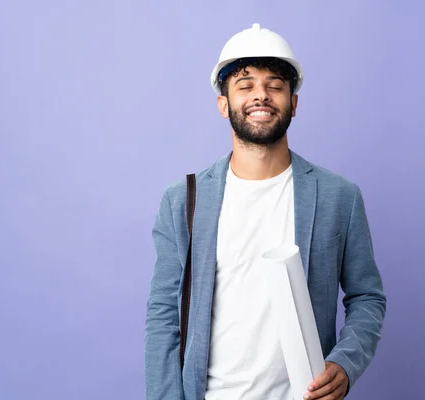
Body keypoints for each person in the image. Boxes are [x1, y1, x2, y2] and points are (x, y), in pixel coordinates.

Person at [145, 23, 386, 400]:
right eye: (245, 84)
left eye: (275, 85)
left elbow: (367, 297)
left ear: (293, 101)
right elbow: (163, 316)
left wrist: (346, 363)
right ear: (224, 103)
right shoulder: (183, 200)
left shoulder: (339, 196)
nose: (262, 96)